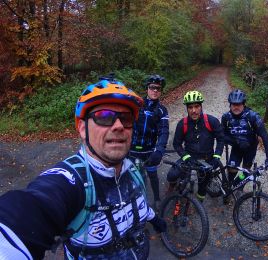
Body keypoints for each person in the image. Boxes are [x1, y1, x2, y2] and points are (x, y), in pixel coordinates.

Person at [0, 78, 166, 260]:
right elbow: (29, 210)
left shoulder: (132, 170)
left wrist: (153, 218)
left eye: (125, 118)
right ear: (82, 128)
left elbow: (137, 201)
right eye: (104, 116)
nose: (118, 126)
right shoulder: (72, 180)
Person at [167, 90, 225, 202]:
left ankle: (199, 202)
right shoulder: (182, 124)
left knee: (202, 186)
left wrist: (217, 157)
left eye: (197, 106)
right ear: (187, 109)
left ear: (201, 106)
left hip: (207, 158)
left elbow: (221, 139)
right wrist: (186, 157)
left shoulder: (211, 121)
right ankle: (175, 189)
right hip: (189, 157)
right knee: (172, 174)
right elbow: (177, 144)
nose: (194, 110)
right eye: (190, 107)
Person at [221, 89, 268, 195]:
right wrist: (235, 141)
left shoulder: (252, 117)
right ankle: (228, 187)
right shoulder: (226, 117)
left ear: (243, 104)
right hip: (236, 148)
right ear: (230, 104)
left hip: (250, 149)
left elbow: (264, 135)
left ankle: (239, 186)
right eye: (233, 104)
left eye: (239, 104)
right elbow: (222, 135)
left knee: (245, 172)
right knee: (232, 170)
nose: (236, 107)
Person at [129, 74, 169, 211]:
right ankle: (139, 205)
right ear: (147, 89)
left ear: (161, 91)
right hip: (132, 150)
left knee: (152, 175)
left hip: (149, 151)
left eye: (158, 88)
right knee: (135, 179)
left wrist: (160, 150)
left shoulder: (162, 110)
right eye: (152, 88)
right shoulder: (137, 104)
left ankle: (157, 198)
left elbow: (164, 131)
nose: (155, 91)